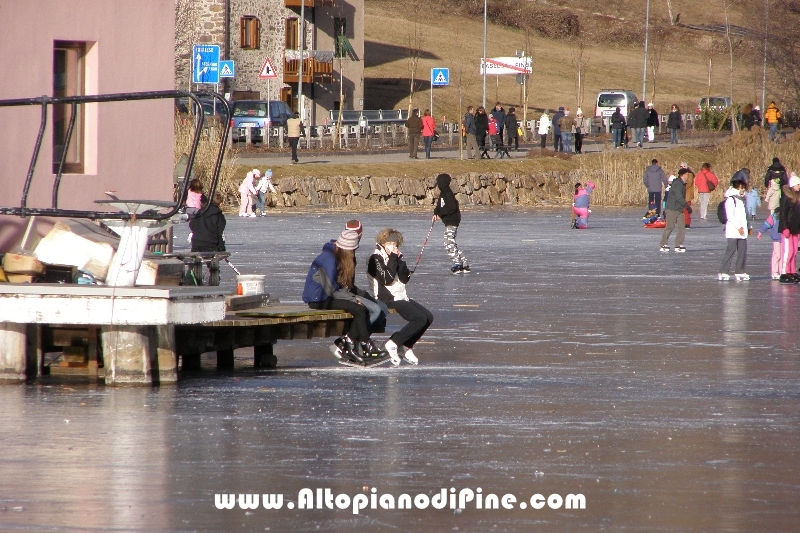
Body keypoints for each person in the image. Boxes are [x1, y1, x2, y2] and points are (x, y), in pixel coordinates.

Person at [301, 229, 386, 364]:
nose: (353, 253)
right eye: (352, 250)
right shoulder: (328, 259)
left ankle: (355, 345)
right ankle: (363, 345)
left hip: (327, 297)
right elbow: (331, 290)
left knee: (361, 309)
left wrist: (356, 296)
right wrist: (353, 299)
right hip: (319, 299)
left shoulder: (334, 255)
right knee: (360, 310)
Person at [367, 228, 434, 366]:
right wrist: (393, 258)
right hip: (385, 298)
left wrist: (400, 261)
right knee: (418, 318)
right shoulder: (375, 258)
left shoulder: (394, 257)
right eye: (390, 243)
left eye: (395, 244)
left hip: (400, 296)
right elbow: (387, 279)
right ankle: (393, 342)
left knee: (428, 317)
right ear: (383, 243)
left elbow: (404, 279)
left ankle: (406, 346)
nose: (393, 247)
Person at [432, 173, 469, 273]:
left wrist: (441, 215)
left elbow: (452, 207)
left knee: (448, 242)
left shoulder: (447, 193)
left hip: (452, 220)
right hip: (449, 221)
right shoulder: (443, 193)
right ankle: (463, 262)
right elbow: (439, 206)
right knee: (450, 241)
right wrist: (436, 213)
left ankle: (457, 263)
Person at [717, 177, 751, 281]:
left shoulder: (742, 200)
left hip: (742, 231)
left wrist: (749, 226)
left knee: (742, 250)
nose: (743, 190)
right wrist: (739, 227)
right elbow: (730, 216)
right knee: (730, 250)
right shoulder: (731, 199)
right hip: (733, 230)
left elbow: (745, 215)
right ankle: (723, 271)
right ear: (737, 188)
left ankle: (740, 271)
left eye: (744, 188)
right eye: (742, 188)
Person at [659, 170, 690, 252]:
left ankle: (678, 245)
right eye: (687, 175)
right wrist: (687, 206)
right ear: (682, 175)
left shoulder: (681, 184)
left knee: (682, 227)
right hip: (672, 209)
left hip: (679, 209)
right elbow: (679, 197)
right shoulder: (677, 184)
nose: (688, 176)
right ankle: (663, 244)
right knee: (670, 226)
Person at [777, 175, 800, 283]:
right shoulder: (786, 196)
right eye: (798, 184)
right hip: (788, 228)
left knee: (794, 250)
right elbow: (783, 213)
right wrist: (785, 227)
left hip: (795, 228)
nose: (799, 186)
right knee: (788, 251)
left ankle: (792, 271)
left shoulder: (797, 197)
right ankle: (784, 272)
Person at [757, 210, 783, 281]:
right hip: (777, 239)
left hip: (784, 238)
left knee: (783, 256)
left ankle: (781, 271)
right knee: (777, 255)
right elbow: (766, 224)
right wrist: (760, 232)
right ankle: (775, 272)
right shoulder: (774, 217)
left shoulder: (786, 215)